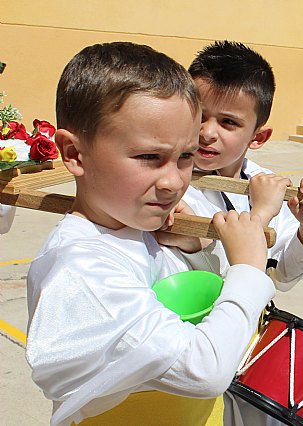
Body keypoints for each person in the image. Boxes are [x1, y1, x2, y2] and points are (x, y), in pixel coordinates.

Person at [25, 42, 275, 426]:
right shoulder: (80, 269)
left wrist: (192, 245)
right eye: (149, 158)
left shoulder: (134, 226)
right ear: (74, 154)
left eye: (186, 157)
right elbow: (204, 369)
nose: (174, 182)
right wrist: (249, 271)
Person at [181, 40, 303, 426]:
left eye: (229, 122)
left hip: (249, 348)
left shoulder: (265, 182)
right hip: (194, 351)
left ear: (259, 136)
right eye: (199, 115)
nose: (207, 133)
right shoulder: (169, 184)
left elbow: (283, 275)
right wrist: (262, 213)